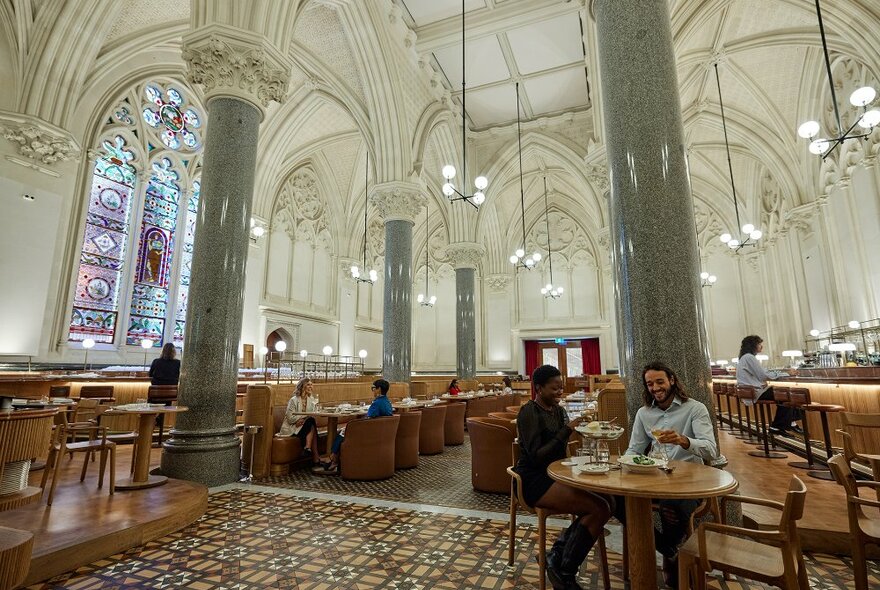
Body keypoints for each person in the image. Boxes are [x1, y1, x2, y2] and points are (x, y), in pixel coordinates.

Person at [614, 362, 718, 588]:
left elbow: (711, 449)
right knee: (614, 499)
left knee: (671, 506)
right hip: (653, 479)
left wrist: (683, 440)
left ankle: (669, 556)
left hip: (689, 482)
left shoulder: (695, 408)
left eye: (659, 381)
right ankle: (671, 551)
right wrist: (623, 464)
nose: (655, 388)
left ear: (672, 380)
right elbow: (635, 448)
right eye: (650, 384)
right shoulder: (644, 413)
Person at [515, 364, 612, 590]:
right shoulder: (529, 412)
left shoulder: (558, 410)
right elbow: (537, 456)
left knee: (610, 502)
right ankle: (564, 570)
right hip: (534, 480)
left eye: (561, 387)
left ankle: (556, 554)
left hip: (557, 474)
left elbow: (563, 445)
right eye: (554, 388)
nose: (560, 392)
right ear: (538, 388)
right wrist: (567, 430)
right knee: (598, 508)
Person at [314, 378, 393, 474]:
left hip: (371, 433)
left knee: (343, 431)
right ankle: (333, 460)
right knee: (345, 430)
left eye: (373, 388)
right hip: (380, 432)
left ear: (379, 389)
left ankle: (332, 458)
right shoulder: (387, 402)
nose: (372, 391)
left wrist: (356, 423)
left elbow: (368, 419)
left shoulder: (376, 403)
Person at [737, 335, 800, 434]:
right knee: (786, 393)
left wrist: (782, 372)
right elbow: (763, 375)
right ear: (753, 345)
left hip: (751, 392)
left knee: (784, 394)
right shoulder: (749, 357)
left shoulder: (744, 358)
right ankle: (778, 426)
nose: (761, 346)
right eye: (759, 344)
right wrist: (786, 373)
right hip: (756, 392)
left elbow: (764, 372)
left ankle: (790, 423)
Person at [278, 378, 321, 466]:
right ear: (302, 386)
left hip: (304, 425)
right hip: (293, 427)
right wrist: (300, 419)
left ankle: (308, 449)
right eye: (308, 385)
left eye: (311, 385)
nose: (311, 387)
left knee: (311, 421)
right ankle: (314, 456)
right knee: (311, 423)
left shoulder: (311, 399)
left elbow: (312, 414)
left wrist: (303, 419)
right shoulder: (294, 400)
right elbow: (290, 418)